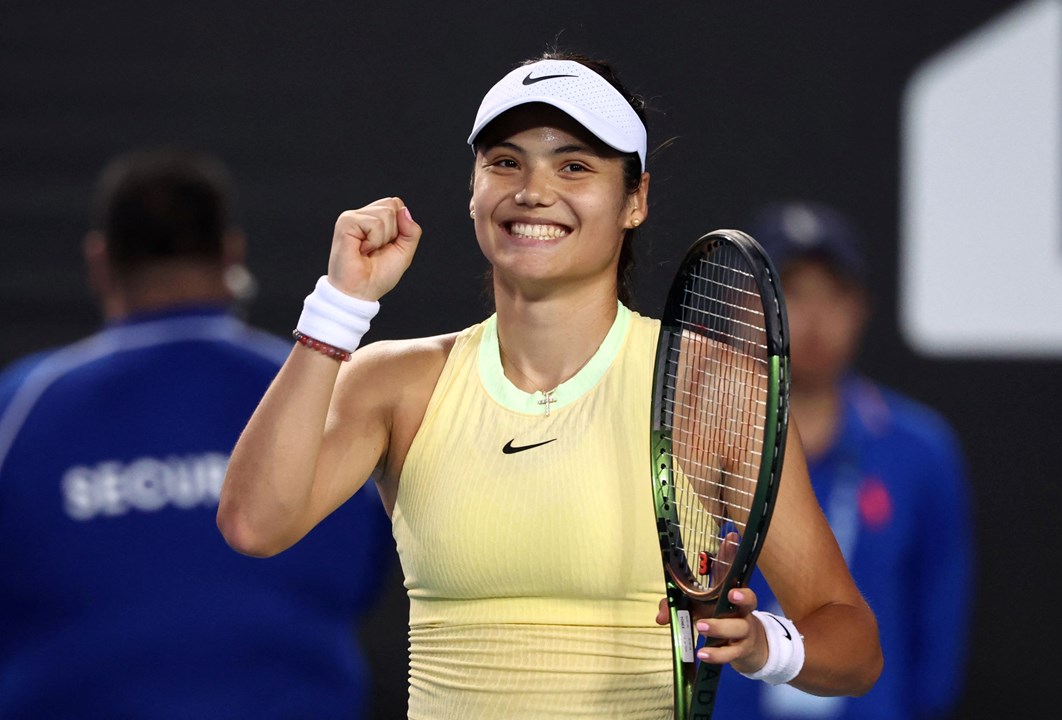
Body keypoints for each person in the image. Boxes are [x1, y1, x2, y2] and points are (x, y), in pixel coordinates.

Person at [217, 53, 883, 719]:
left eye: (574, 166)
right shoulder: (396, 383)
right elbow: (253, 524)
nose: (533, 191)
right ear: (473, 189)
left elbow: (853, 646)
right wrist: (338, 309)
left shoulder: (711, 386)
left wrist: (766, 643)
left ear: (636, 199)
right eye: (505, 162)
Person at [0, 147, 394, 720]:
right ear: (231, 253)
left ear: (100, 261)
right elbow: (370, 566)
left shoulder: (20, 407)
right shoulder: (322, 394)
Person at [717, 201, 974, 720]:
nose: (812, 317)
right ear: (745, 306)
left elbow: (939, 626)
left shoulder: (921, 451)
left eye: (833, 293)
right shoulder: (697, 441)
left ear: (861, 308)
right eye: (790, 290)